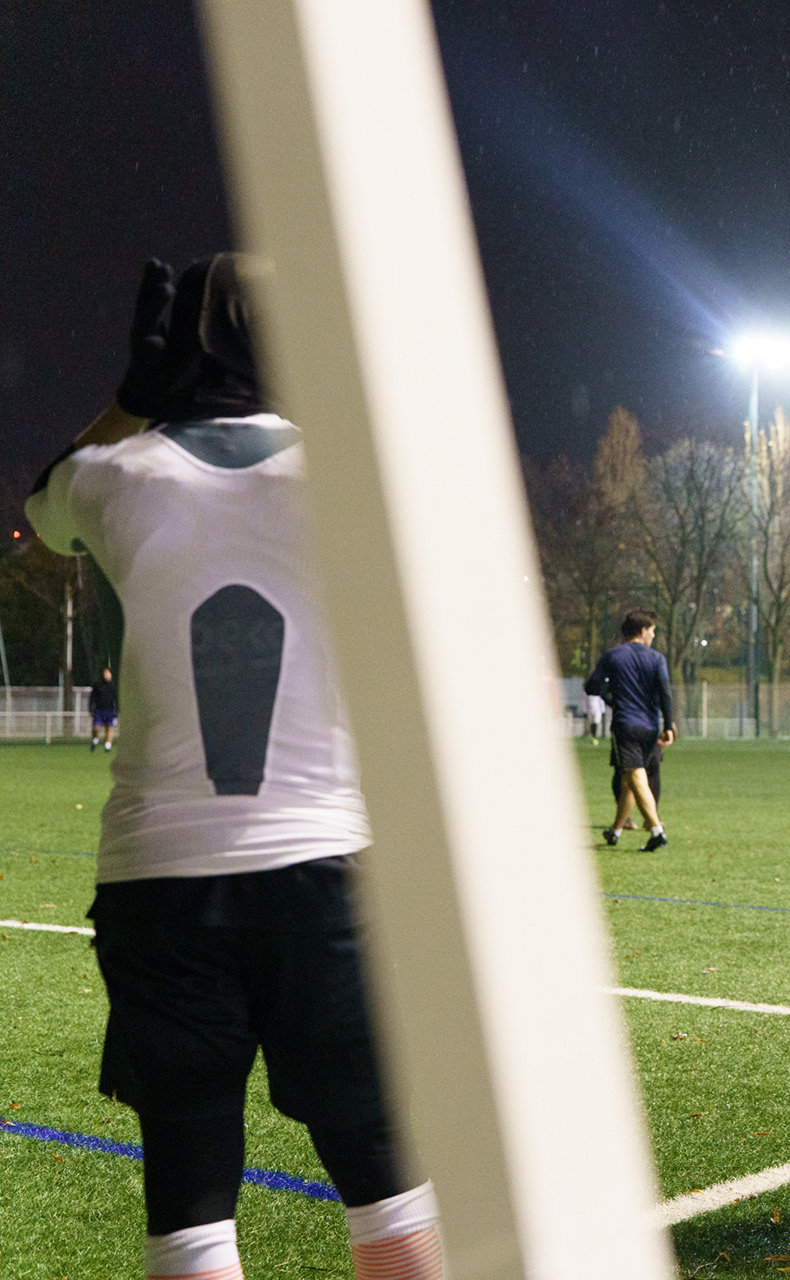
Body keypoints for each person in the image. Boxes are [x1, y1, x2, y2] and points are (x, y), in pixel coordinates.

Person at [24, 255, 445, 1280]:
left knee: (190, 1201)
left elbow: (41, 507)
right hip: (322, 864)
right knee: (387, 1179)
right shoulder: (350, 473)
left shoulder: (115, 476)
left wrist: (129, 401)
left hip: (158, 880)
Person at [585, 609, 676, 850]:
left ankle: (656, 830)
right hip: (651, 727)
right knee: (630, 779)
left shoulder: (613, 655)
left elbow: (592, 686)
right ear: (643, 630)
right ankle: (615, 830)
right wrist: (668, 725)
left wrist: (613, 699)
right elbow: (665, 693)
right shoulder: (657, 658)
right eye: (653, 631)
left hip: (626, 726)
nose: (653, 635)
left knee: (635, 776)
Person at [90, 665, 119, 751]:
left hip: (109, 710)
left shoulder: (113, 686)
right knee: (96, 727)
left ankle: (107, 746)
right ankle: (95, 739)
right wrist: (90, 708)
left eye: (108, 673)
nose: (106, 675)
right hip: (99, 710)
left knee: (108, 728)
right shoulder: (98, 685)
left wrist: (117, 710)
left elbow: (116, 699)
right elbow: (92, 697)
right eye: (105, 673)